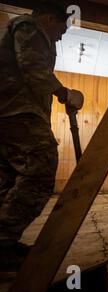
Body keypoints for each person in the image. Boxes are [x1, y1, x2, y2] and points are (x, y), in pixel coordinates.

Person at [0, 1, 84, 270]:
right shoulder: (29, 25)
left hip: (12, 113)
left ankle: (5, 244)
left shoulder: (27, 28)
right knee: (41, 169)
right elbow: (33, 66)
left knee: (9, 179)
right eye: (62, 30)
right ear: (49, 19)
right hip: (16, 112)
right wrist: (63, 93)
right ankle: (2, 244)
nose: (61, 36)